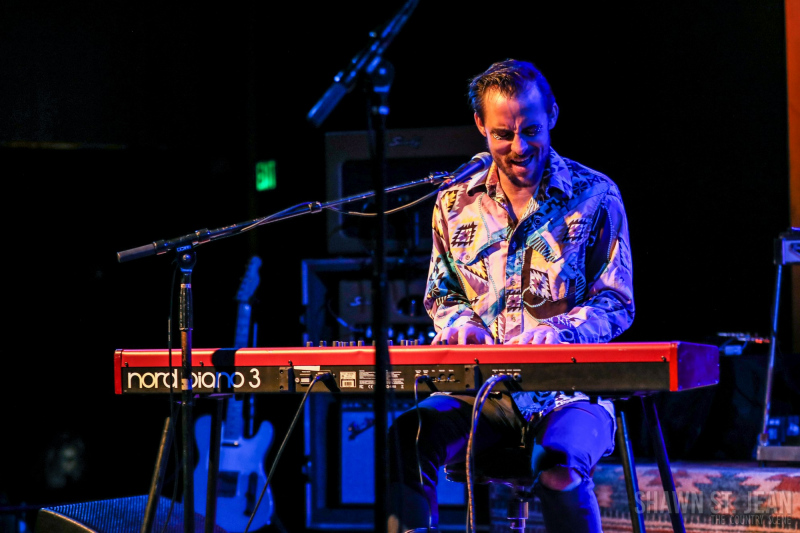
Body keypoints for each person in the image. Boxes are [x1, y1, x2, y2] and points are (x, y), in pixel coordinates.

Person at [387, 58, 635, 533]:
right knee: (404, 441)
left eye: (531, 130)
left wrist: (561, 330)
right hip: (481, 392)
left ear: (554, 115)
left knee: (559, 466)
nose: (519, 147)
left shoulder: (596, 194)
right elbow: (442, 293)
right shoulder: (453, 199)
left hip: (572, 393)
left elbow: (616, 301)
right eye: (503, 134)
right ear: (480, 125)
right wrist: (460, 323)